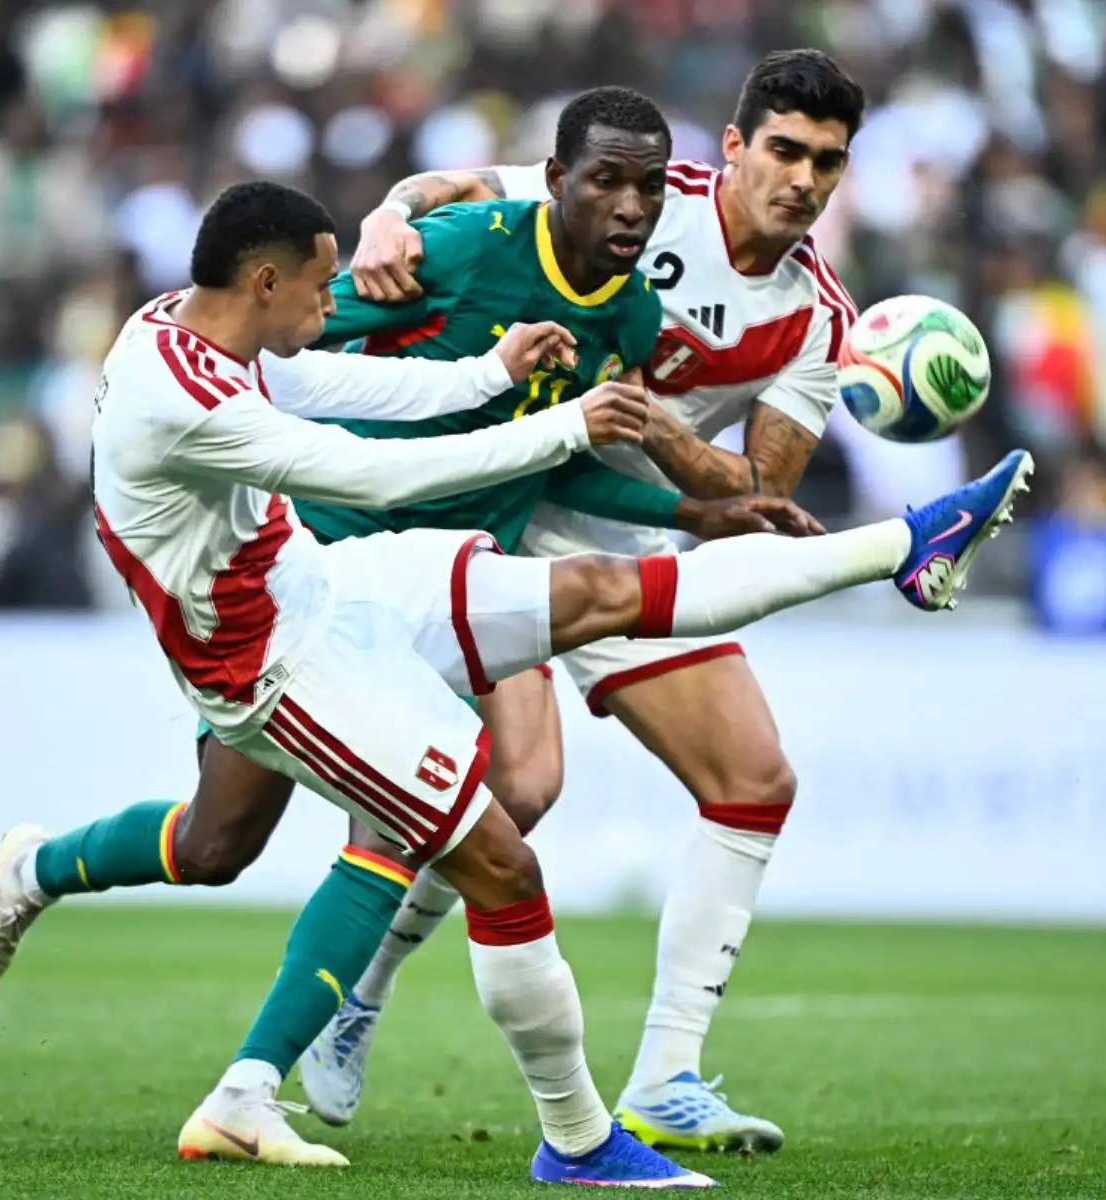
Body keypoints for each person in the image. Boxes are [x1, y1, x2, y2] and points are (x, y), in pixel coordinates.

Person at [0, 178, 1032, 1183]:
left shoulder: (187, 318)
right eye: (322, 283)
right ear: (264, 280)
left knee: (597, 596)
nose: (337, 297)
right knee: (497, 858)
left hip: (328, 586)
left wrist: (486, 377)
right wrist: (560, 420)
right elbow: (364, 464)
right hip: (274, 668)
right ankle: (575, 1142)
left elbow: (324, 378)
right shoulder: (179, 398)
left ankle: (905, 545)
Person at [299, 50, 874, 1154]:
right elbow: (463, 198)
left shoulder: (812, 323)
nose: (802, 180)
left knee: (754, 780)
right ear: (740, 148)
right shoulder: (643, 192)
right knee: (520, 784)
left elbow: (757, 492)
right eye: (786, 152)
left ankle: (666, 1077)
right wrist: (385, 212)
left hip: (626, 530)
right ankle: (354, 994)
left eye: (829, 163)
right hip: (507, 504)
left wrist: (653, 432)